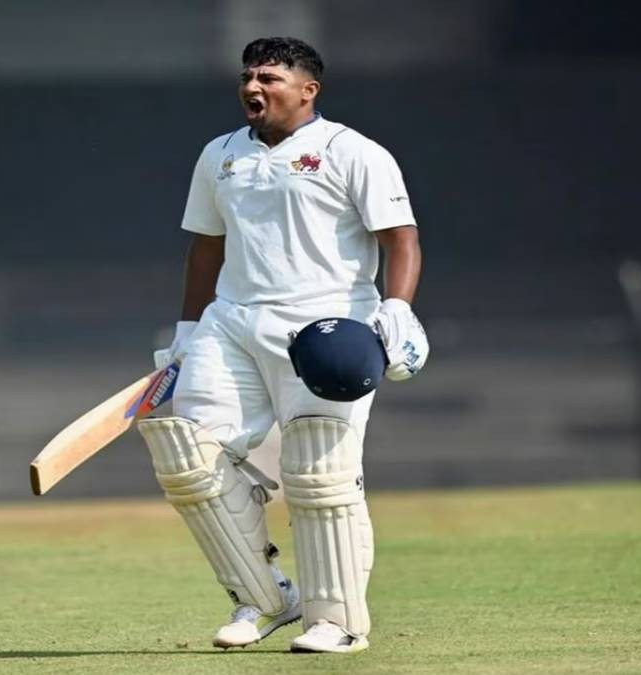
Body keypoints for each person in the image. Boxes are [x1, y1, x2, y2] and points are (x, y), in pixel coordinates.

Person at [136, 37, 429, 654]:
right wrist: (187, 331)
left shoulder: (352, 151)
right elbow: (206, 247)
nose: (253, 86)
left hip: (326, 328)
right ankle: (265, 598)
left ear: (307, 90)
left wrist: (397, 308)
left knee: (319, 472)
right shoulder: (220, 154)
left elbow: (400, 237)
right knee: (188, 455)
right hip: (231, 321)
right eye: (248, 76)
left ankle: (336, 621)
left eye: (269, 77)